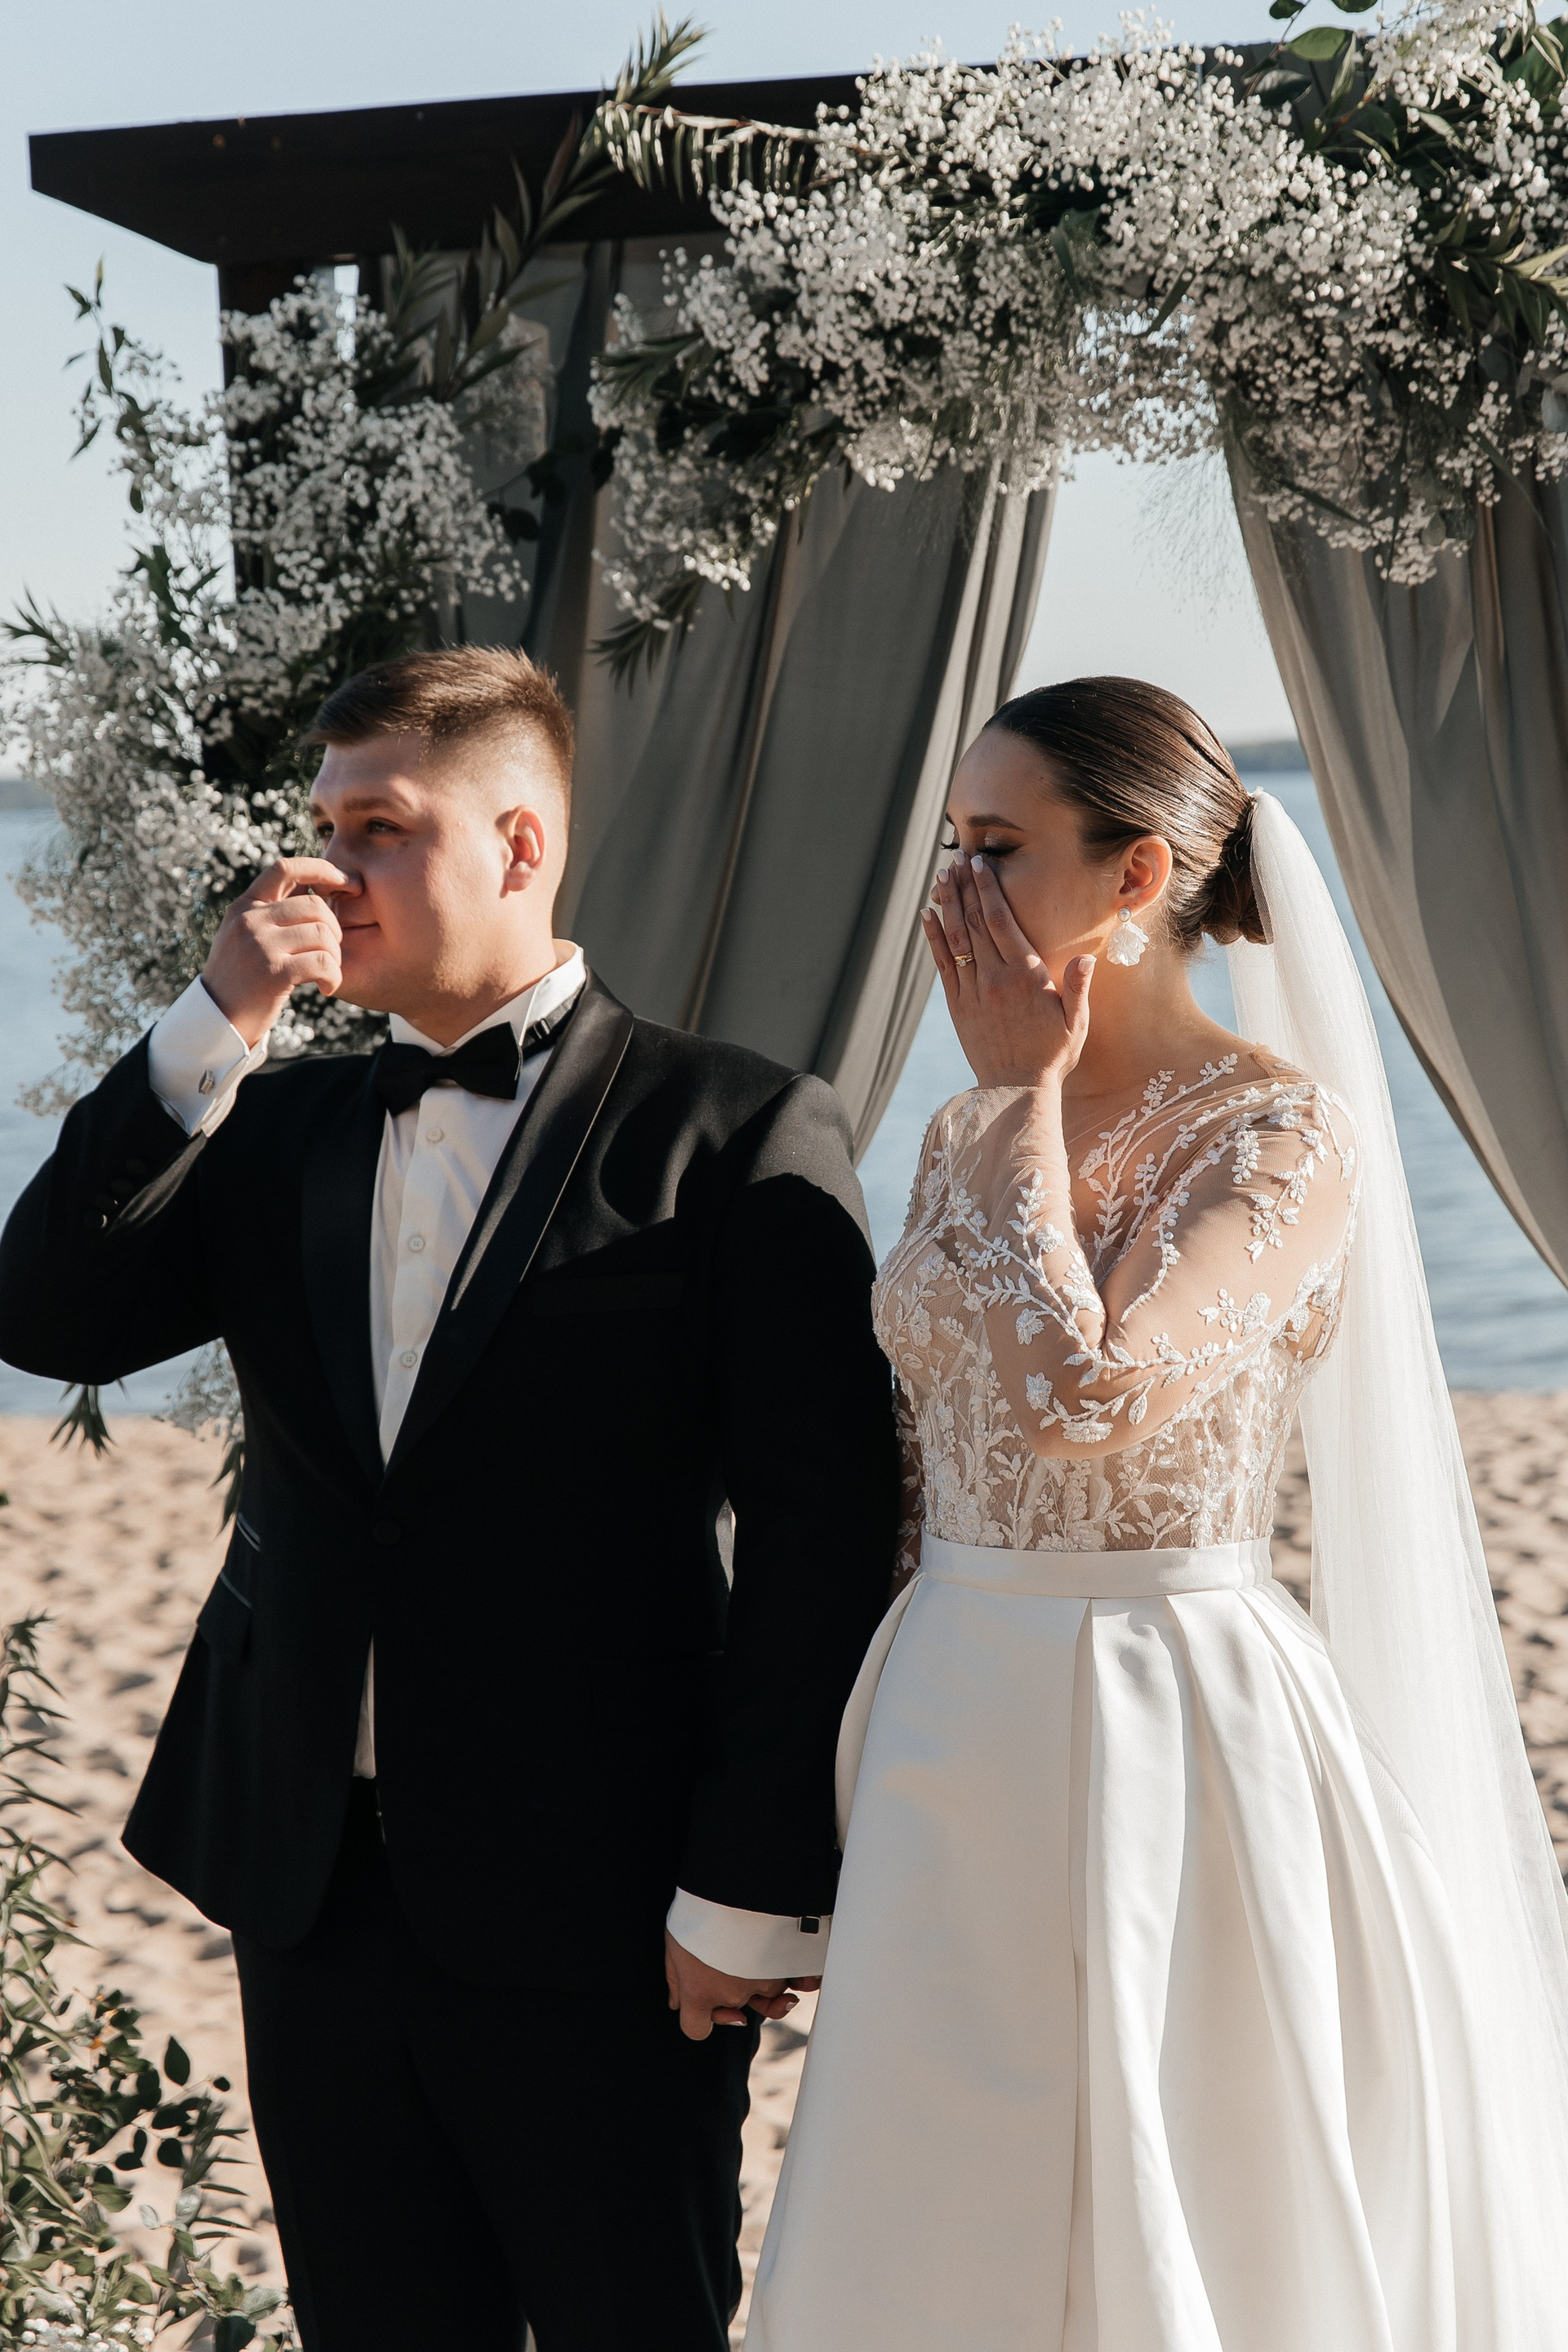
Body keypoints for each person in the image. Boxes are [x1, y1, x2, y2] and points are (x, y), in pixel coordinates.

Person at [0, 646, 898, 2352]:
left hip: (614, 1913)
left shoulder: (738, 1129)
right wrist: (210, 1026)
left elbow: (822, 1537)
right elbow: (48, 1317)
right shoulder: (273, 1122)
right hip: (311, 1892)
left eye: (381, 829)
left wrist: (749, 1889)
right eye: (323, 825)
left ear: (519, 845)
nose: (328, 871)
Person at [746, 677, 1568, 2351]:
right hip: (946, 1715)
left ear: (1136, 876)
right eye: (949, 844)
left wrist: (1016, 1100)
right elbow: (924, 1454)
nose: (952, 890)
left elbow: (1088, 1401)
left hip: (1171, 1716)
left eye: (996, 846)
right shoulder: (963, 1131)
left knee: (1186, 2176)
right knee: (937, 2204)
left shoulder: (1285, 1136)